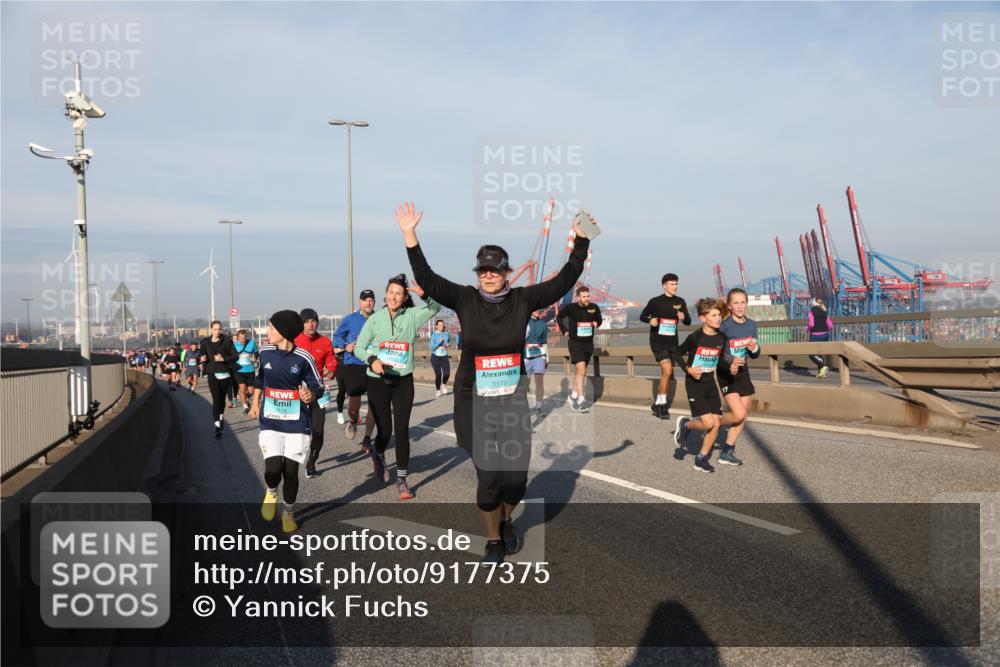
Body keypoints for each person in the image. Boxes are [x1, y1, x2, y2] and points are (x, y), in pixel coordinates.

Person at [398, 201, 592, 562]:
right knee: (489, 476)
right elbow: (426, 277)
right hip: (473, 399)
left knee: (515, 480)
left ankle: (505, 518)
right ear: (478, 274)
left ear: (507, 272)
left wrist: (580, 242)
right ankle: (493, 538)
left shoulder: (523, 299)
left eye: (495, 270)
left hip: (511, 398)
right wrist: (410, 235)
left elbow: (565, 280)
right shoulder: (464, 298)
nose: (488, 276)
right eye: (483, 270)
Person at [355, 274, 440, 499]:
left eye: (399, 293)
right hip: (378, 379)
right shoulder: (375, 320)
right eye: (391, 292)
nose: (394, 297)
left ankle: (402, 480)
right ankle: (378, 453)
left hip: (403, 380)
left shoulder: (412, 316)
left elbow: (435, 307)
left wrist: (425, 295)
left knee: (402, 430)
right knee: (385, 430)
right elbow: (359, 348)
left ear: (404, 298)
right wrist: (372, 360)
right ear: (385, 295)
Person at [249, 310, 324, 533]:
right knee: (273, 469)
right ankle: (272, 491)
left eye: (272, 328)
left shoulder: (303, 357)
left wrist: (310, 394)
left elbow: (318, 385)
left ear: (284, 332)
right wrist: (255, 403)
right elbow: (260, 379)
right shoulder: (265, 353)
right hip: (271, 421)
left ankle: (289, 513)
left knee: (290, 473)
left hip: (297, 423)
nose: (268, 331)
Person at [672, 298, 744, 473]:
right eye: (713, 315)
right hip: (694, 384)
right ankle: (686, 425)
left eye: (719, 315)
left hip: (710, 383)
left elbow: (720, 360)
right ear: (703, 318)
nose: (718, 318)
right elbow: (676, 353)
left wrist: (732, 365)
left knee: (716, 424)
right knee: (708, 423)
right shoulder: (695, 337)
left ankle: (701, 459)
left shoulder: (721, 337)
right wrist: (688, 369)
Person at [716, 288, 760, 466]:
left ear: (746, 304)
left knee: (742, 415)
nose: (740, 306)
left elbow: (755, 354)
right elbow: (717, 353)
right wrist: (731, 362)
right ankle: (710, 424)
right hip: (726, 373)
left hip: (743, 372)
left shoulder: (752, 325)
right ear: (729, 306)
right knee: (738, 413)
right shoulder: (724, 327)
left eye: (742, 302)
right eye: (736, 303)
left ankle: (726, 451)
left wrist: (754, 349)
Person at [639, 273, 691, 419]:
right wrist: (650, 321)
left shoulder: (680, 302)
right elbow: (642, 316)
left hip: (672, 343)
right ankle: (662, 405)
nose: (675, 286)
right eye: (672, 284)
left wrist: (683, 317)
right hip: (658, 342)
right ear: (664, 286)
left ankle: (657, 404)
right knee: (668, 371)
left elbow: (688, 322)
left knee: (666, 374)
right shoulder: (655, 301)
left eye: (676, 284)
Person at [294, 308, 338, 479]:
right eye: (306, 321)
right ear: (301, 324)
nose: (311, 324)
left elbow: (332, 363)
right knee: (300, 431)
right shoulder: (294, 341)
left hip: (318, 391)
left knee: (318, 430)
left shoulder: (325, 342)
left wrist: (330, 371)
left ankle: (311, 462)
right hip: (297, 392)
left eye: (313, 321)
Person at [334, 291, 378, 451]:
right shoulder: (350, 319)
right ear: (360, 302)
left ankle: (367, 438)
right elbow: (337, 336)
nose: (368, 303)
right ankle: (353, 421)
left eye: (371, 300)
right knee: (354, 406)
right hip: (353, 362)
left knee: (375, 402)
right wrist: (345, 345)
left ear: (374, 303)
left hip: (373, 363)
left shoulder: (379, 318)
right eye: (365, 300)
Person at [557, 286, 602, 412]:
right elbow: (559, 317)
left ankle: (573, 395)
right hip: (575, 343)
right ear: (578, 297)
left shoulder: (594, 307)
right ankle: (581, 400)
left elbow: (599, 319)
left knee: (580, 371)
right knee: (581, 369)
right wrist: (564, 330)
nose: (587, 298)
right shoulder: (571, 308)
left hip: (588, 344)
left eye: (588, 296)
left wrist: (597, 323)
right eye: (584, 297)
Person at [200, 320, 238, 437]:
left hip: (224, 372)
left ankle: (221, 416)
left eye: (219, 329)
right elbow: (202, 355)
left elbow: (235, 356)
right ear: (211, 329)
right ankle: (217, 425)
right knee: (216, 398)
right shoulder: (205, 342)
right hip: (212, 372)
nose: (217, 331)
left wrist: (223, 359)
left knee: (221, 399)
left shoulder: (227, 341)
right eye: (215, 329)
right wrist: (202, 360)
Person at [524, 309, 550, 417]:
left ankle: (538, 408)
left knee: (539, 382)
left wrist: (547, 358)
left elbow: (544, 342)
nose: (537, 311)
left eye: (539, 309)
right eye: (535, 309)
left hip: (540, 355)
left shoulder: (543, 324)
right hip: (526, 356)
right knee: (525, 384)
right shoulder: (524, 322)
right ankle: (523, 408)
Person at [806, 297, 834, 378]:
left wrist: (807, 329)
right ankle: (821, 373)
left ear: (813, 302)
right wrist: (823, 329)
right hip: (825, 335)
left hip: (815, 335)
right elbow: (830, 326)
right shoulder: (824, 311)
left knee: (811, 354)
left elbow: (811, 324)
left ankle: (823, 366)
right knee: (818, 353)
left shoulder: (811, 312)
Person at [233, 329, 259, 414]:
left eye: (244, 338)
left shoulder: (251, 343)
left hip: (250, 370)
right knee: (243, 389)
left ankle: (242, 397)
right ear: (238, 338)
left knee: (251, 391)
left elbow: (256, 353)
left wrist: (255, 358)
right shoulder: (234, 345)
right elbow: (230, 356)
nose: (243, 340)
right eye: (241, 338)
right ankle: (246, 407)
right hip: (239, 370)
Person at [429, 319, 452, 396]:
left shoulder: (446, 333)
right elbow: (432, 348)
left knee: (447, 373)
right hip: (435, 356)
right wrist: (439, 342)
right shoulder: (434, 335)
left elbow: (449, 342)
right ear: (436, 326)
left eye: (442, 325)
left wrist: (448, 344)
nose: (442, 326)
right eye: (440, 325)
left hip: (444, 355)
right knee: (438, 374)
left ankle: (443, 384)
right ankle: (438, 390)